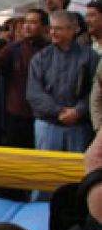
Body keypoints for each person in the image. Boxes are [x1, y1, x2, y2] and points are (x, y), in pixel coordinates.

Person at [27, 9, 98, 155]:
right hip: (48, 124)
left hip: (79, 125)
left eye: (58, 29)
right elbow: (34, 93)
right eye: (51, 28)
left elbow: (96, 90)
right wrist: (58, 111)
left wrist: (79, 110)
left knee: (77, 173)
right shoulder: (41, 58)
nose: (53, 32)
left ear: (74, 30)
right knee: (47, 171)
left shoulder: (90, 57)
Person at [0, 8, 49, 149]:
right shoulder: (14, 48)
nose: (27, 26)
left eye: (33, 22)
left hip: (43, 114)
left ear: (44, 27)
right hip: (16, 112)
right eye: (26, 22)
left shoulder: (50, 50)